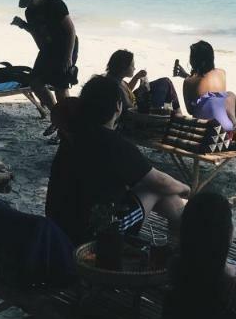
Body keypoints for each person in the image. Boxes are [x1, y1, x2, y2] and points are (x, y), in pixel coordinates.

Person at [45, 75, 188, 244]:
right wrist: (188, 190)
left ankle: (179, 236)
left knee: (155, 188)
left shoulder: (73, 135)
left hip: (58, 228)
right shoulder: (113, 143)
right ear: (118, 107)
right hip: (95, 235)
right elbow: (161, 181)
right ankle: (181, 242)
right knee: (156, 189)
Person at [12, 0, 79, 123]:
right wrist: (24, 26)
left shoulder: (55, 4)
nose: (29, 5)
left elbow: (71, 31)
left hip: (66, 45)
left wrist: (68, 58)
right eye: (26, 3)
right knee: (35, 82)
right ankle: (57, 115)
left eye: (30, 1)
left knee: (61, 88)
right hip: (48, 48)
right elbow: (36, 33)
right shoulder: (29, 11)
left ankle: (65, 123)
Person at [174, 40, 236, 131]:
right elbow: (208, 86)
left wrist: (187, 77)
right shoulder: (222, 73)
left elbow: (190, 110)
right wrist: (186, 75)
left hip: (203, 128)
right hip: (227, 127)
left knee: (216, 99)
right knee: (229, 95)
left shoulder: (188, 81)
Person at [105, 49, 181, 113]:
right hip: (137, 109)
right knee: (165, 83)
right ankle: (176, 112)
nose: (134, 68)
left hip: (134, 98)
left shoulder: (115, 78)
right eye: (132, 65)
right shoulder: (115, 87)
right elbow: (130, 109)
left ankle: (176, 111)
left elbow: (127, 88)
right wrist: (142, 97)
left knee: (165, 82)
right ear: (124, 67)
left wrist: (137, 77)